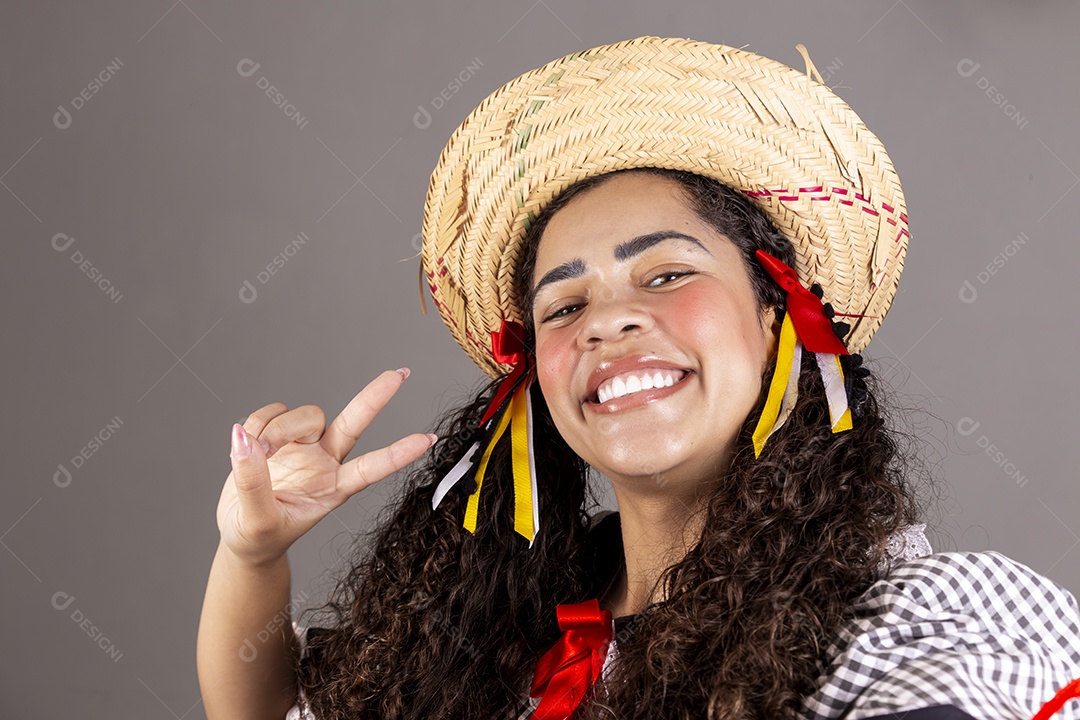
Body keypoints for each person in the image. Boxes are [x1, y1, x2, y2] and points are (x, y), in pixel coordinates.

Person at [196, 36, 1080, 720]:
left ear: (777, 312)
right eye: (562, 306)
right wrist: (254, 553)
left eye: (665, 274)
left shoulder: (910, 620)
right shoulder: (491, 640)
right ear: (532, 374)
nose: (609, 320)